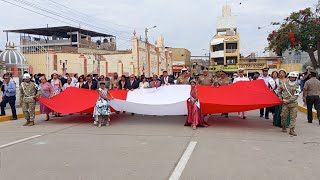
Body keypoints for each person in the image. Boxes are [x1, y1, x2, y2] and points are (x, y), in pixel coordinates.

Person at [278, 72, 301, 136]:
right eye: (291, 77)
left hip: (293, 104)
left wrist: (288, 101)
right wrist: (280, 98)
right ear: (289, 77)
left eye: (294, 77)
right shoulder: (284, 84)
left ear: (295, 78)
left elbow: (296, 95)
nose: (292, 78)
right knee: (283, 116)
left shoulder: (297, 86)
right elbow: (279, 91)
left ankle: (292, 130)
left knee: (293, 117)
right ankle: (284, 126)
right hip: (285, 103)